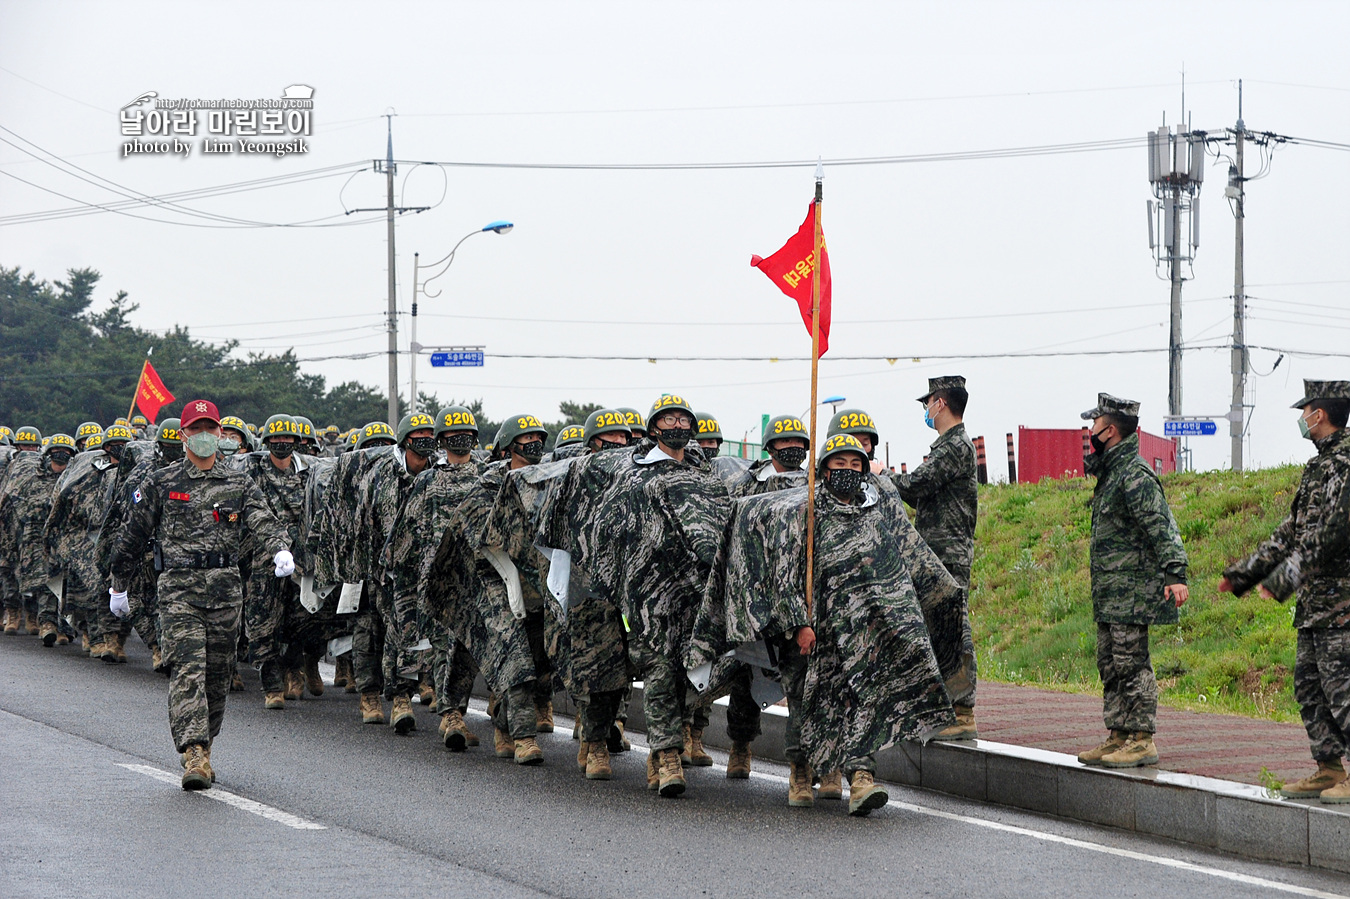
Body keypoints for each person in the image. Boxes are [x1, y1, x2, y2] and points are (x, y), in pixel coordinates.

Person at [689, 433, 958, 815]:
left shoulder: (873, 515)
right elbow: (785, 574)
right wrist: (799, 623)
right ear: (823, 470)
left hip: (861, 633)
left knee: (860, 702)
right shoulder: (806, 515)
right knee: (805, 703)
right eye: (838, 464)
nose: (847, 472)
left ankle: (861, 779)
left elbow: (891, 573)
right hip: (811, 634)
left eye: (854, 465)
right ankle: (801, 771)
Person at [109, 399, 292, 790]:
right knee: (188, 667)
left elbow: (262, 518)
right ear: (184, 435)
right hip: (178, 589)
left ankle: (205, 745)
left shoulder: (238, 482)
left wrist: (280, 549)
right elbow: (132, 535)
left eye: (211, 428)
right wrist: (118, 585)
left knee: (218, 674)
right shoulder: (162, 481)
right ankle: (193, 751)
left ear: (221, 434)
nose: (205, 436)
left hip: (225, 589)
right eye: (197, 429)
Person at [1220, 380, 1350, 803]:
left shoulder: (1346, 463)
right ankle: (1329, 770)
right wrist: (1245, 575)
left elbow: (1332, 534)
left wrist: (1282, 581)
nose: (1302, 419)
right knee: (1309, 687)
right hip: (1315, 604)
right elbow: (1291, 532)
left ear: (1321, 413)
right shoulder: (1318, 467)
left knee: (1343, 692)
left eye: (1306, 410)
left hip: (1342, 605)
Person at [1076, 394, 1188, 769]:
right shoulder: (1111, 474)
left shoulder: (1134, 475)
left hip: (1131, 593)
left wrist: (1175, 573)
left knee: (1131, 663)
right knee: (1109, 663)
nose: (1090, 430)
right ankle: (1119, 734)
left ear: (1109, 430)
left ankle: (1142, 738)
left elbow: (1162, 527)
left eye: (1095, 424)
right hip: (1110, 593)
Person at [886, 376, 980, 740]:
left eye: (928, 403)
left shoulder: (955, 446)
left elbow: (916, 485)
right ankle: (948, 707)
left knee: (956, 628)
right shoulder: (949, 446)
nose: (926, 410)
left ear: (940, 403)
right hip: (937, 552)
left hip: (949, 553)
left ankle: (963, 711)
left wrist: (883, 475)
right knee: (940, 626)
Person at [0, 434, 76, 645]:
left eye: (67, 452)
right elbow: (16, 506)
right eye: (57, 451)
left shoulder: (75, 478)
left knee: (67, 585)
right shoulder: (32, 477)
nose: (62, 455)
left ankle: (65, 627)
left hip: (66, 538)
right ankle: (46, 624)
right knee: (43, 581)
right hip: (38, 538)